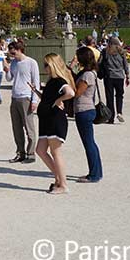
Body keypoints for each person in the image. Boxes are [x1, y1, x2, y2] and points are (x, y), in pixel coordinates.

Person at [34, 53, 76, 195]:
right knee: (40, 150)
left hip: (54, 120)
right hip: (45, 121)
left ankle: (63, 184)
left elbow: (70, 92)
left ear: (52, 65)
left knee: (56, 152)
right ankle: (58, 177)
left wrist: (59, 100)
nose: (44, 67)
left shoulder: (58, 80)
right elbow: (48, 99)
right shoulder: (52, 81)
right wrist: (36, 92)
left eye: (46, 65)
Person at [5, 41, 39, 164]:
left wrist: (34, 100)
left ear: (20, 50)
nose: (11, 54)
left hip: (26, 97)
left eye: (13, 51)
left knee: (29, 127)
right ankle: (20, 152)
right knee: (17, 127)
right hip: (15, 97)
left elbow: (36, 81)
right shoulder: (14, 62)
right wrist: (7, 69)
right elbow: (9, 78)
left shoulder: (31, 62)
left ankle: (31, 153)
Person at [73, 47, 103, 183]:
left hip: (84, 110)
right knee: (91, 143)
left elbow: (77, 92)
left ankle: (94, 174)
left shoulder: (87, 75)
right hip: (86, 109)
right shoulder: (87, 72)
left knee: (89, 143)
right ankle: (97, 172)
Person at [99, 37, 130, 124]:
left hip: (109, 76)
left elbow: (100, 62)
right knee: (119, 95)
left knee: (110, 97)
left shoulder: (105, 51)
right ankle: (119, 112)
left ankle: (111, 117)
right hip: (120, 76)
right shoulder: (122, 52)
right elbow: (125, 65)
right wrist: (127, 75)